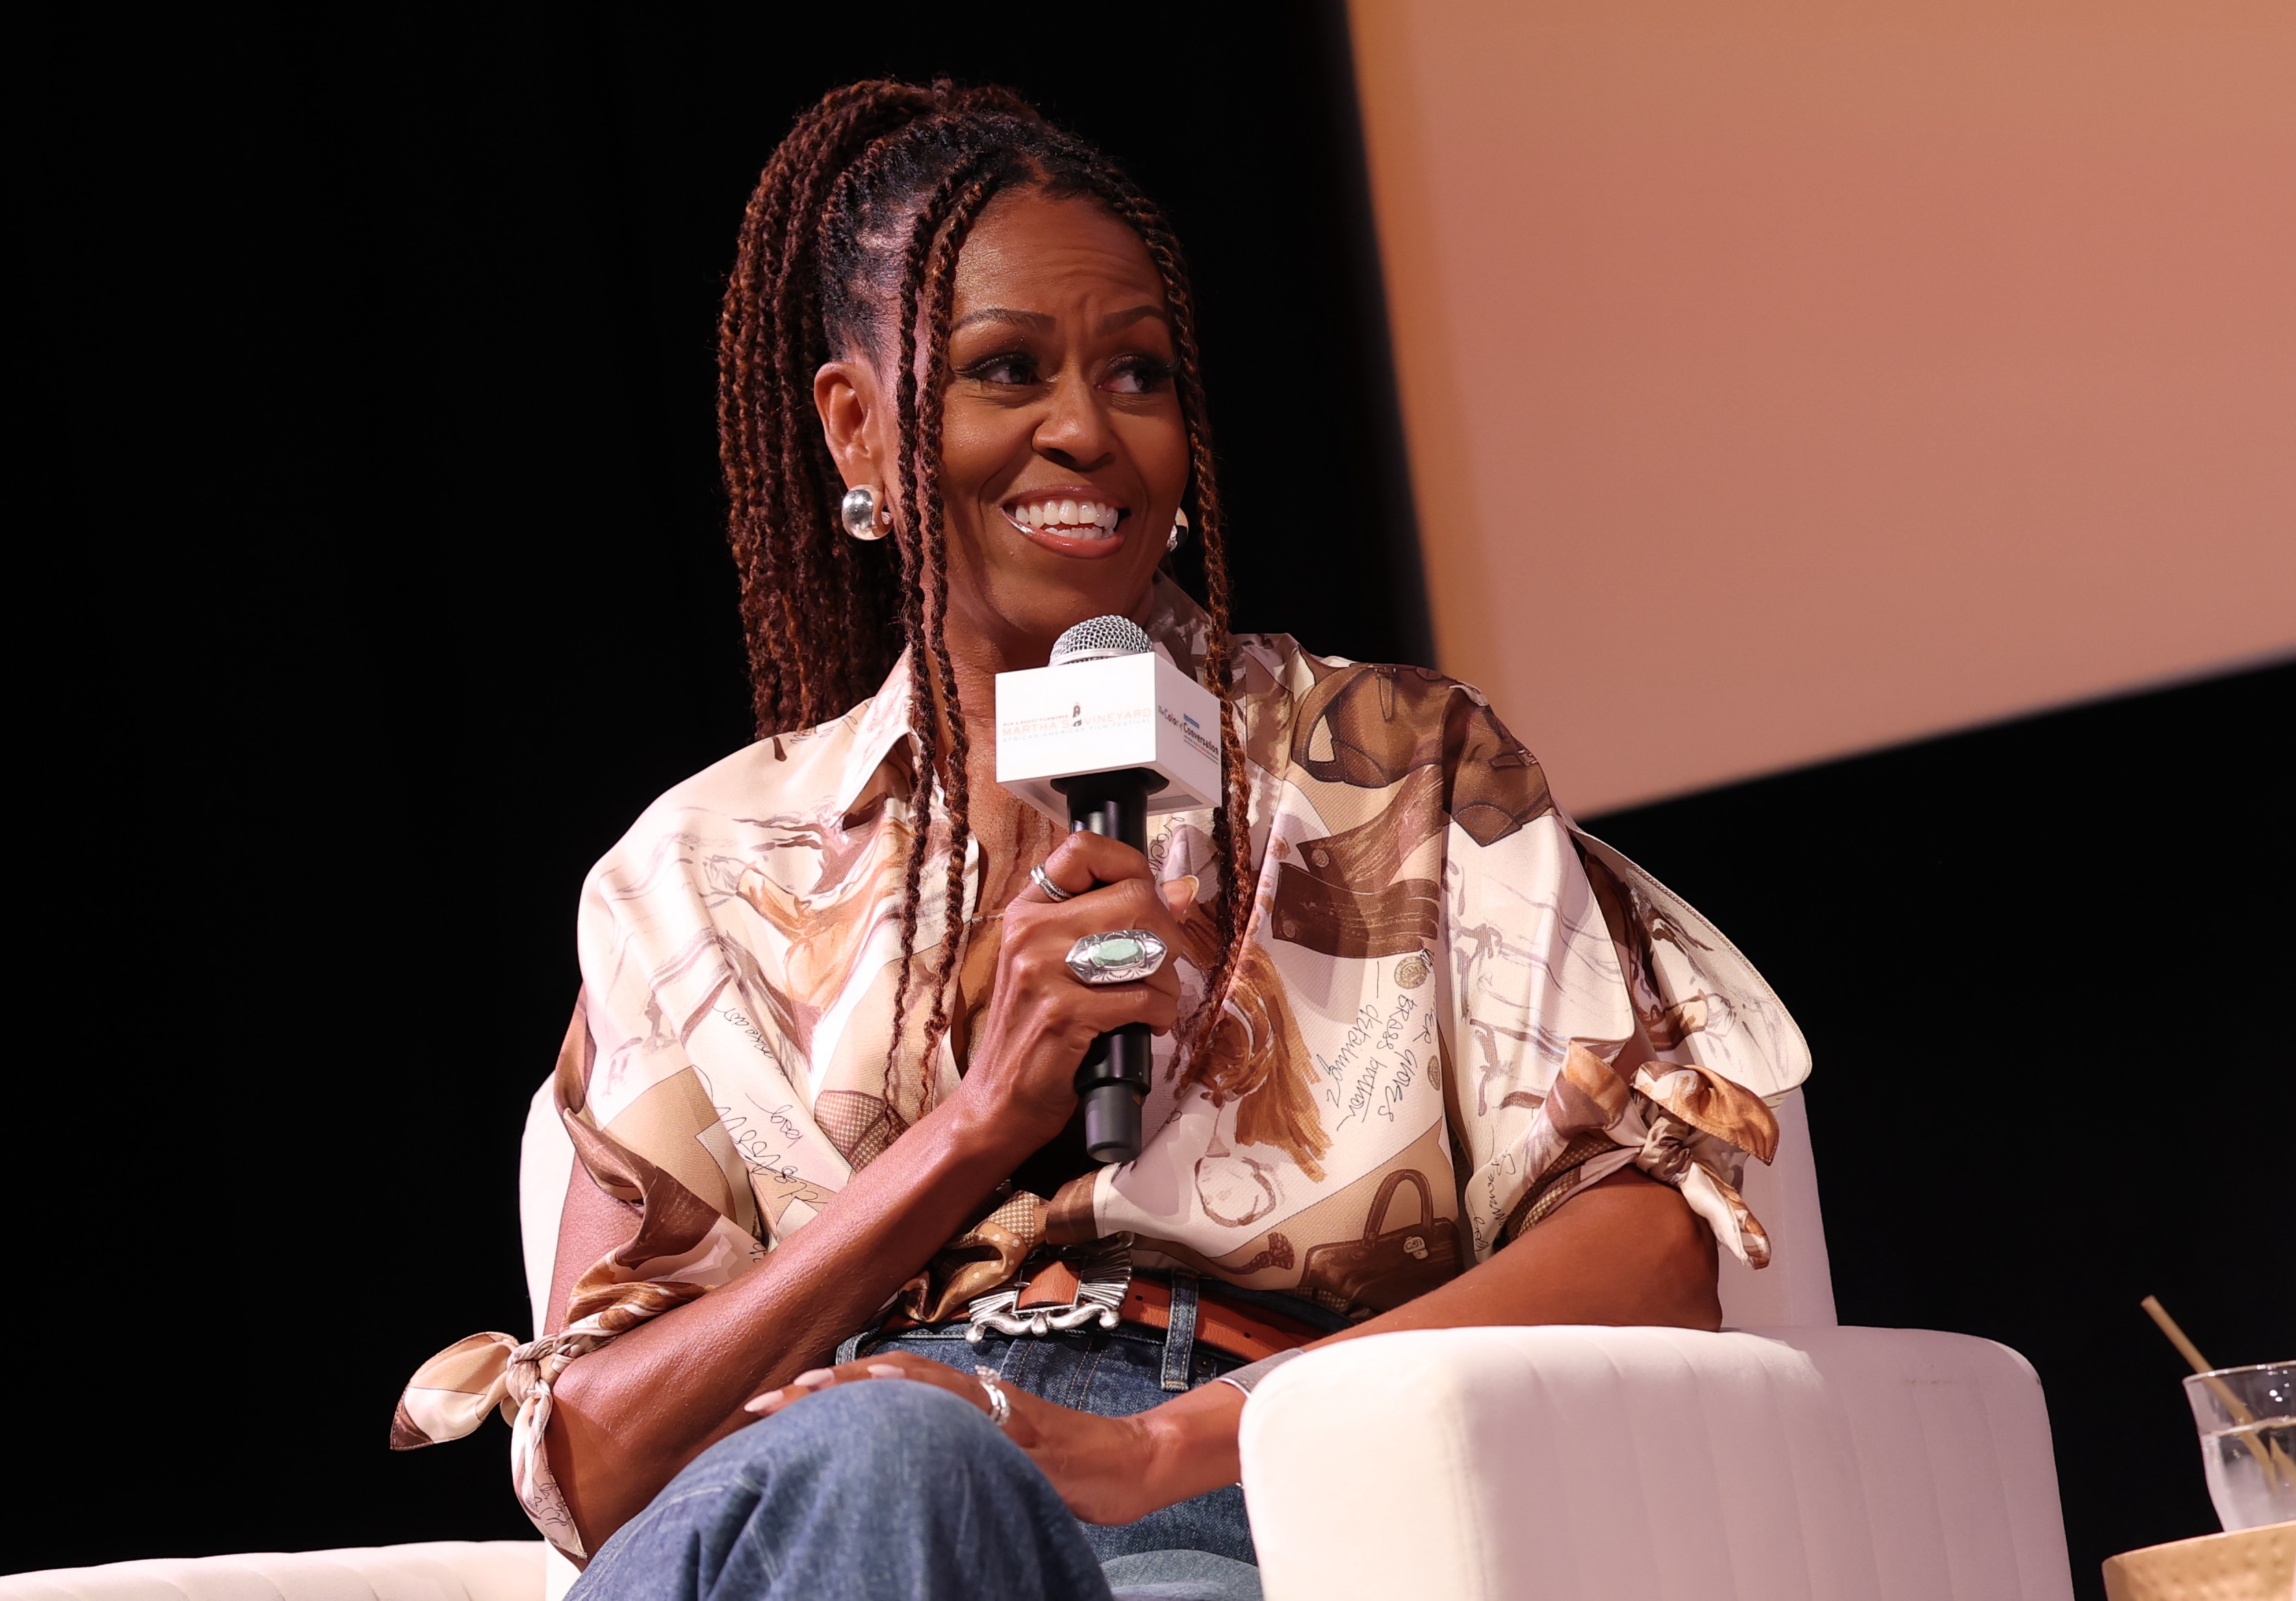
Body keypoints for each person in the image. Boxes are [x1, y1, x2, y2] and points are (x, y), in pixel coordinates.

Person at [394, 79, 1802, 1601]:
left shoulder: (1389, 771)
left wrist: (1159, 1448)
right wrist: (975, 1127)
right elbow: (597, 1471)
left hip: (1225, 1510)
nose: (1085, 430)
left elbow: (1653, 1251)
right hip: (805, 1533)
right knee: (886, 1457)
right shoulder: (698, 869)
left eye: (1137, 376)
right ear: (855, 427)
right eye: (1007, 371)